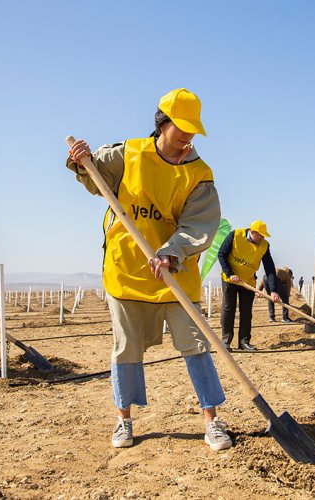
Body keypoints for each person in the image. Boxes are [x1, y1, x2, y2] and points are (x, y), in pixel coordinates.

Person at [66, 88, 232, 452]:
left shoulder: (199, 173)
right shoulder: (128, 154)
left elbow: (198, 224)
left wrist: (171, 253)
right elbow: (94, 174)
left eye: (192, 130)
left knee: (196, 344)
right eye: (181, 128)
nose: (187, 137)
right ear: (163, 123)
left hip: (174, 273)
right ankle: (124, 421)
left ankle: (213, 421)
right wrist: (81, 160)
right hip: (127, 270)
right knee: (125, 348)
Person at [218, 220, 279, 351]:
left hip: (248, 282)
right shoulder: (235, 235)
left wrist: (273, 290)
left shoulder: (264, 245)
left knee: (246, 312)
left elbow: (269, 268)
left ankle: (244, 342)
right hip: (230, 280)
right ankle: (226, 341)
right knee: (229, 310)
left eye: (264, 236)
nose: (262, 238)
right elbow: (221, 254)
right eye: (260, 235)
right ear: (252, 232)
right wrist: (230, 274)